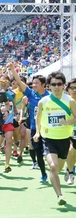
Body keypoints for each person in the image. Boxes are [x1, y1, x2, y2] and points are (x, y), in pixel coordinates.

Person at [34, 72, 76, 205]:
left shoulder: (70, 101)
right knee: (53, 166)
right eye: (53, 84)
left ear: (64, 85)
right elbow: (38, 117)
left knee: (58, 167)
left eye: (59, 84)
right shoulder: (44, 101)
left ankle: (64, 171)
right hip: (49, 138)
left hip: (64, 139)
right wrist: (37, 133)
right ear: (49, 86)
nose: (56, 87)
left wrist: (67, 123)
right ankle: (60, 195)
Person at [9, 63, 50, 183]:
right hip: (34, 128)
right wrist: (12, 70)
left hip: (49, 129)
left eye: (37, 83)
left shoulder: (50, 96)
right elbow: (20, 83)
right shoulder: (31, 93)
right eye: (33, 83)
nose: (34, 85)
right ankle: (43, 174)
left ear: (43, 85)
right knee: (38, 152)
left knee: (51, 152)